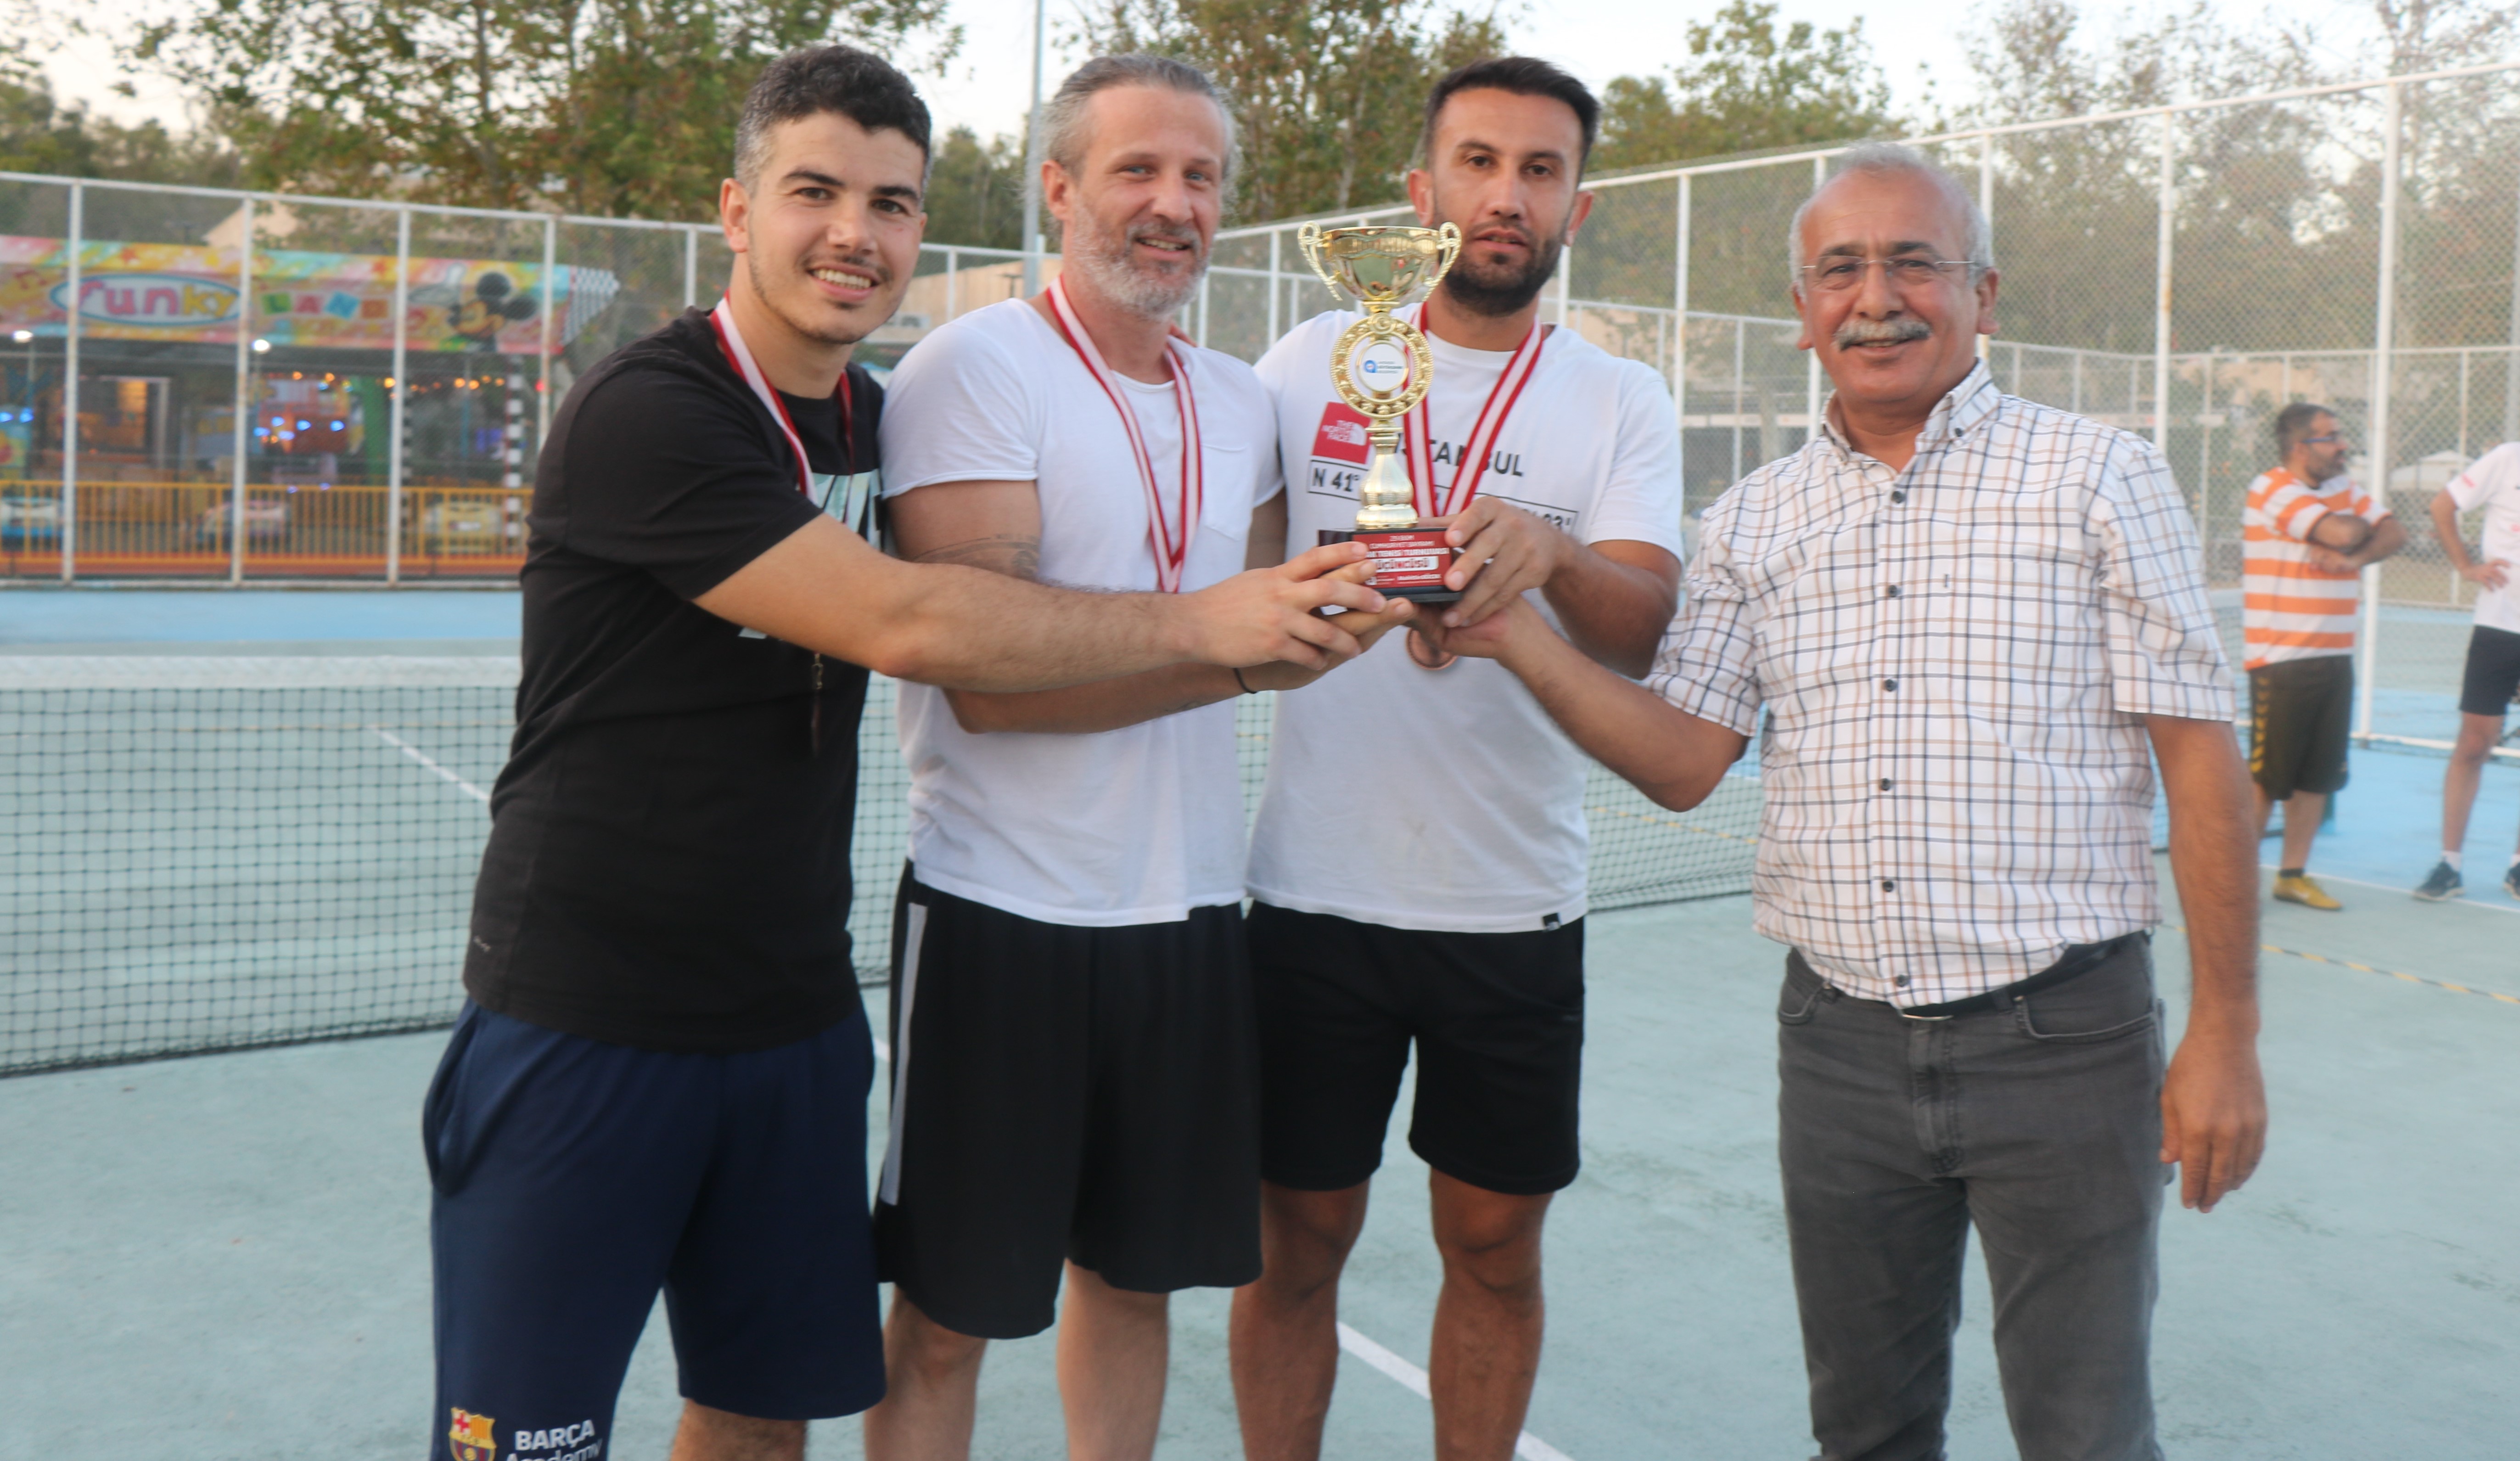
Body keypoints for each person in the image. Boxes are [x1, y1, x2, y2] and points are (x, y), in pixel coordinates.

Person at [426, 46, 1394, 1461]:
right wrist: (1218, 626)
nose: (854, 233)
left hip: (796, 1021)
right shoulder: (654, 413)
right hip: (588, 1015)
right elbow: (915, 621)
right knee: (523, 1444)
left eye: (889, 204)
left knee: (761, 1418)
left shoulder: (868, 418)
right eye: (813, 192)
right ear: (733, 209)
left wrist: (1371, 595)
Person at [1428, 142, 2267, 1461]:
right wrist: (1521, 632)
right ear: (1805, 311)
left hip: (2065, 1035)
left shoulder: (2101, 476)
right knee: (1865, 1428)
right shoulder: (1755, 519)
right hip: (1838, 1047)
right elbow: (1683, 757)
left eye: (1913, 262)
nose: (1876, 297)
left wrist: (2224, 1028)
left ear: (1980, 295)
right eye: (1840, 270)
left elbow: (2203, 760)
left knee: (2086, 1427)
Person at [858, 56, 1412, 1461]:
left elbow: (1289, 603)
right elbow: (982, 678)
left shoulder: (1243, 402)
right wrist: (1227, 645)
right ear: (1057, 190)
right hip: (1000, 917)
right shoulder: (966, 367)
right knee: (944, 1316)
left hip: (1184, 921)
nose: (1172, 204)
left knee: (1134, 1286)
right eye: (1136, 171)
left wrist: (1406, 573)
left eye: (1201, 177)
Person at [1227, 57, 1684, 1461]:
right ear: (1420, 194)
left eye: (1537, 170)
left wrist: (1540, 556)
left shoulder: (1617, 398)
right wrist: (1329, 602)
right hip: (1310, 897)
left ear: (1574, 206)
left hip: (1508, 908)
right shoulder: (1306, 362)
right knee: (1294, 1242)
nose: (1505, 195)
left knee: (1490, 1247)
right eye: (1477, 163)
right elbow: (1230, 590)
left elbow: (1640, 627)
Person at [2239, 402, 2404, 910]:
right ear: (2298, 447)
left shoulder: (2340, 488)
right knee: (2267, 778)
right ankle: (2231, 881)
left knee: (2317, 778)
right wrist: (2352, 531)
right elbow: (2341, 531)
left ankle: (2292, 875)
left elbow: (2394, 532)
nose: (2341, 445)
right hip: (2281, 660)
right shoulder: (2269, 489)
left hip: (2336, 656)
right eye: (2329, 437)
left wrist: (2351, 557)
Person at [2413, 441, 2520, 902]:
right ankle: (2448, 864)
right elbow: (2442, 504)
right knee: (2473, 744)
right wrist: (2464, 565)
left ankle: (2517, 866)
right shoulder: (2506, 459)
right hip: (2498, 627)